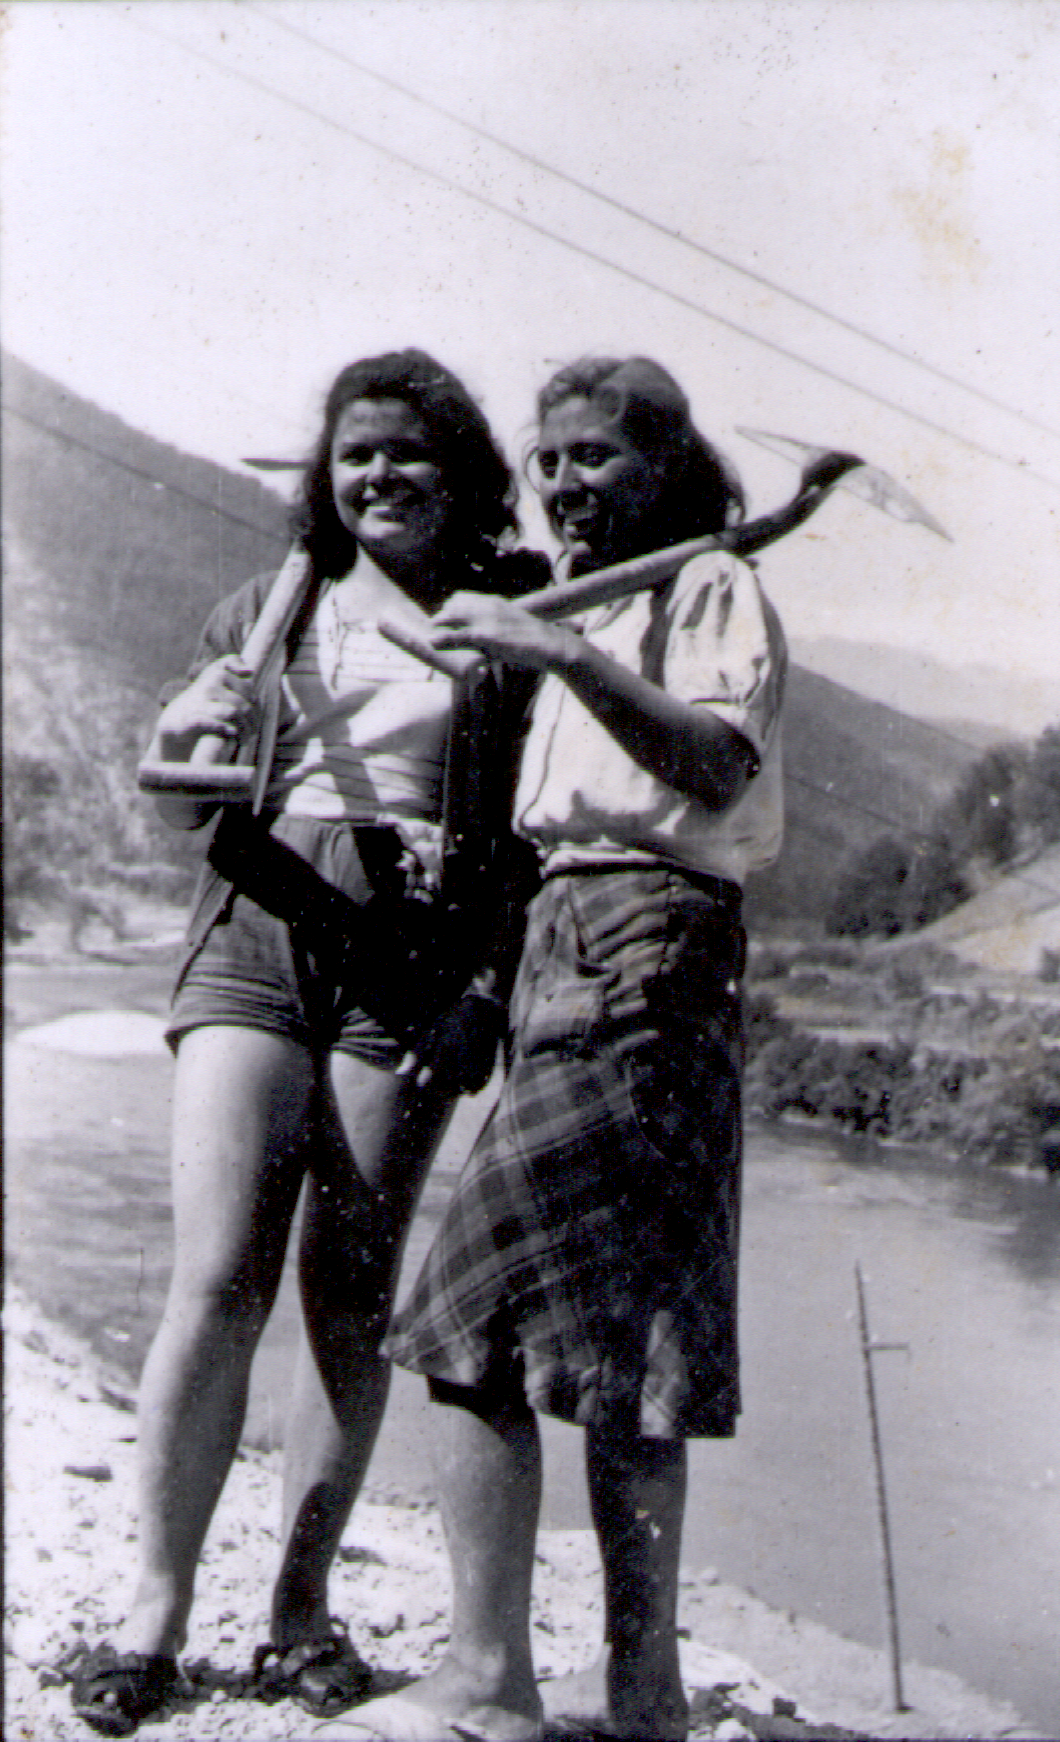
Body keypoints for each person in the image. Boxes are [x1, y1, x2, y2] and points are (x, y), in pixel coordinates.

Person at [71, 350, 544, 1737]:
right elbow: (177, 800)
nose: (381, 473)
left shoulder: (514, 618)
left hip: (413, 962)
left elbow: (539, 837)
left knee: (349, 1292)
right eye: (356, 454)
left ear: (458, 469)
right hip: (259, 931)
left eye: (408, 451)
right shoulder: (266, 611)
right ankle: (150, 1612)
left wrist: (489, 998)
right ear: (324, 478)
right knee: (217, 1277)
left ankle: (297, 1612)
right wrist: (177, 734)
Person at [336, 356, 787, 1742]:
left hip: (646, 943)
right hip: (578, 946)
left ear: (665, 460)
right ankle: (641, 1694)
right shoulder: (606, 593)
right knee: (626, 1338)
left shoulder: (707, 584)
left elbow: (717, 768)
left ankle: (487, 1679)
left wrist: (570, 656)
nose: (566, 482)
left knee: (466, 1315)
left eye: (595, 455)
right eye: (550, 460)